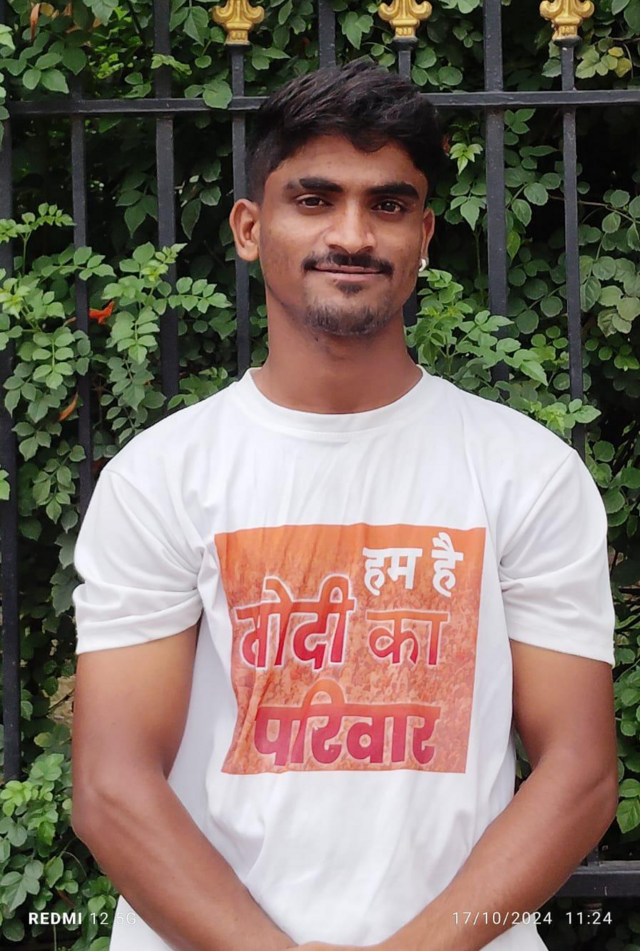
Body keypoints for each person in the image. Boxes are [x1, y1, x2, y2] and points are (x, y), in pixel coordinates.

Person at [71, 58, 618, 951]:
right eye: (314, 199)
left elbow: (581, 773)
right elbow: (112, 785)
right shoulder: (163, 477)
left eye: (388, 204)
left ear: (425, 234)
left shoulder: (528, 473)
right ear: (250, 228)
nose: (353, 235)